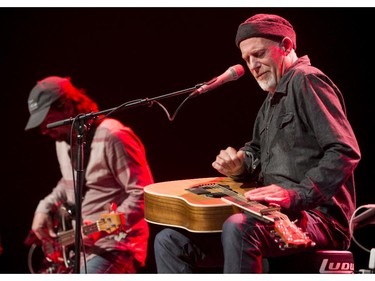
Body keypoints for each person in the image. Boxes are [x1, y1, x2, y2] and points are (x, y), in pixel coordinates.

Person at [153, 13, 361, 273]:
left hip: (319, 218)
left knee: (239, 227)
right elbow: (256, 151)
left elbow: (344, 151)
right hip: (273, 217)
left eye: (259, 54)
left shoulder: (306, 80)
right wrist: (240, 165)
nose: (253, 65)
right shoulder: (270, 102)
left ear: (286, 46)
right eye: (247, 59)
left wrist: (295, 195)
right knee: (169, 242)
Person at [25, 76, 154, 273]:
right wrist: (43, 208)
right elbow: (69, 183)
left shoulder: (114, 136)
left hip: (116, 246)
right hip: (80, 250)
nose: (43, 131)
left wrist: (99, 228)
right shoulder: (62, 141)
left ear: (66, 108)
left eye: (45, 121)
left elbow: (145, 195)